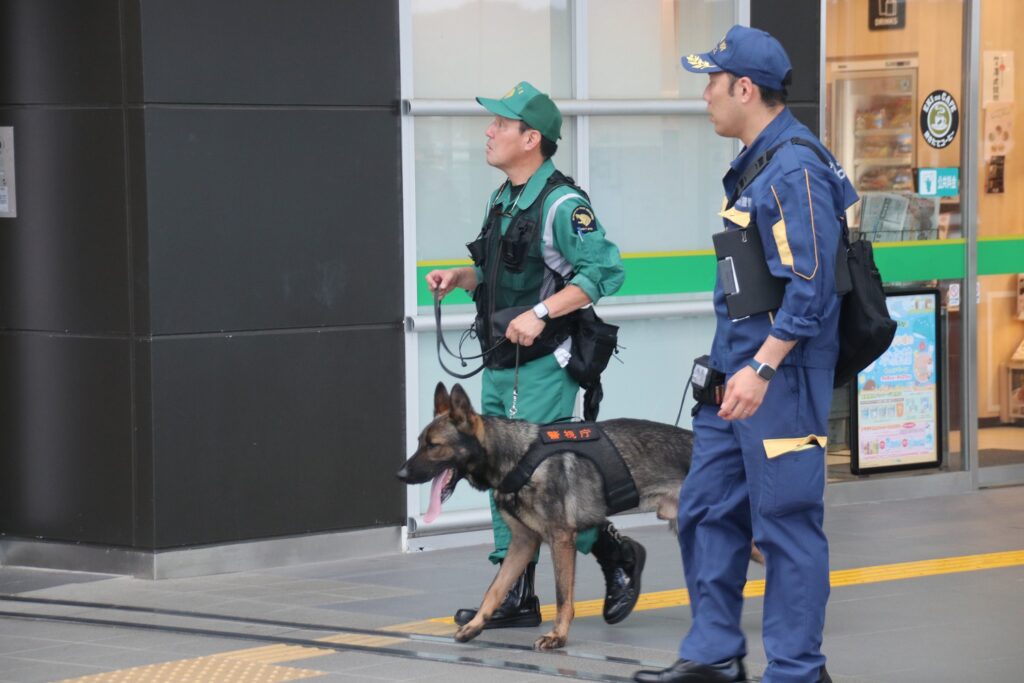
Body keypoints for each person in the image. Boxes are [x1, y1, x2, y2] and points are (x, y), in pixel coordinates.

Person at [633, 26, 857, 683]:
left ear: (745, 88)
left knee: (786, 523)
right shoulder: (759, 160)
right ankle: (713, 653)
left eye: (711, 81)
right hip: (738, 373)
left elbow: (811, 286)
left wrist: (762, 366)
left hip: (779, 377)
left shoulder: (794, 166)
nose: (704, 95)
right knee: (704, 507)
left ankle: (796, 670)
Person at [426, 81, 645, 630]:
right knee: (500, 477)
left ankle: (615, 552)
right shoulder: (503, 198)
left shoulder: (563, 205)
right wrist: (462, 278)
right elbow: (505, 274)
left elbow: (604, 273)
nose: (489, 131)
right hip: (501, 361)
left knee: (540, 481)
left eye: (500, 125)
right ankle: (518, 596)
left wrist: (543, 313)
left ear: (531, 138)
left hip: (543, 364)